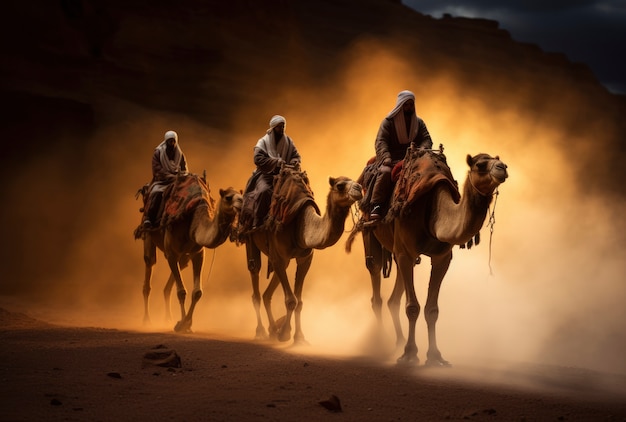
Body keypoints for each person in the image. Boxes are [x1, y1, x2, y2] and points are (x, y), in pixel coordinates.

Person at [369, 90, 433, 221]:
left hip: (413, 158)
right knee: (386, 172)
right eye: (406, 104)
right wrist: (386, 157)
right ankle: (377, 205)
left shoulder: (419, 122)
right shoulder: (388, 122)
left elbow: (426, 138)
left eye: (411, 104)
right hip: (391, 159)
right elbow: (381, 141)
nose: (409, 107)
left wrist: (422, 149)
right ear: (400, 105)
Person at [241, 115, 301, 230]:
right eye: (279, 127)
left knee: (300, 191)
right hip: (266, 175)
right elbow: (257, 159)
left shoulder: (288, 141)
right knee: (264, 191)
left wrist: (295, 162)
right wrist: (275, 162)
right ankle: (257, 221)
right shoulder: (263, 142)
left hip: (285, 175)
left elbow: (296, 156)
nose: (282, 128)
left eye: (283, 126)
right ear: (273, 127)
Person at [142, 130, 188, 228]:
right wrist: (170, 176)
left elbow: (184, 169)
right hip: (162, 181)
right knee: (157, 193)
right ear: (166, 141)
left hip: (177, 181)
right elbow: (157, 170)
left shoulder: (180, 154)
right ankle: (149, 218)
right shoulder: (158, 153)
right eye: (170, 141)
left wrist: (183, 176)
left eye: (173, 141)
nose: (172, 143)